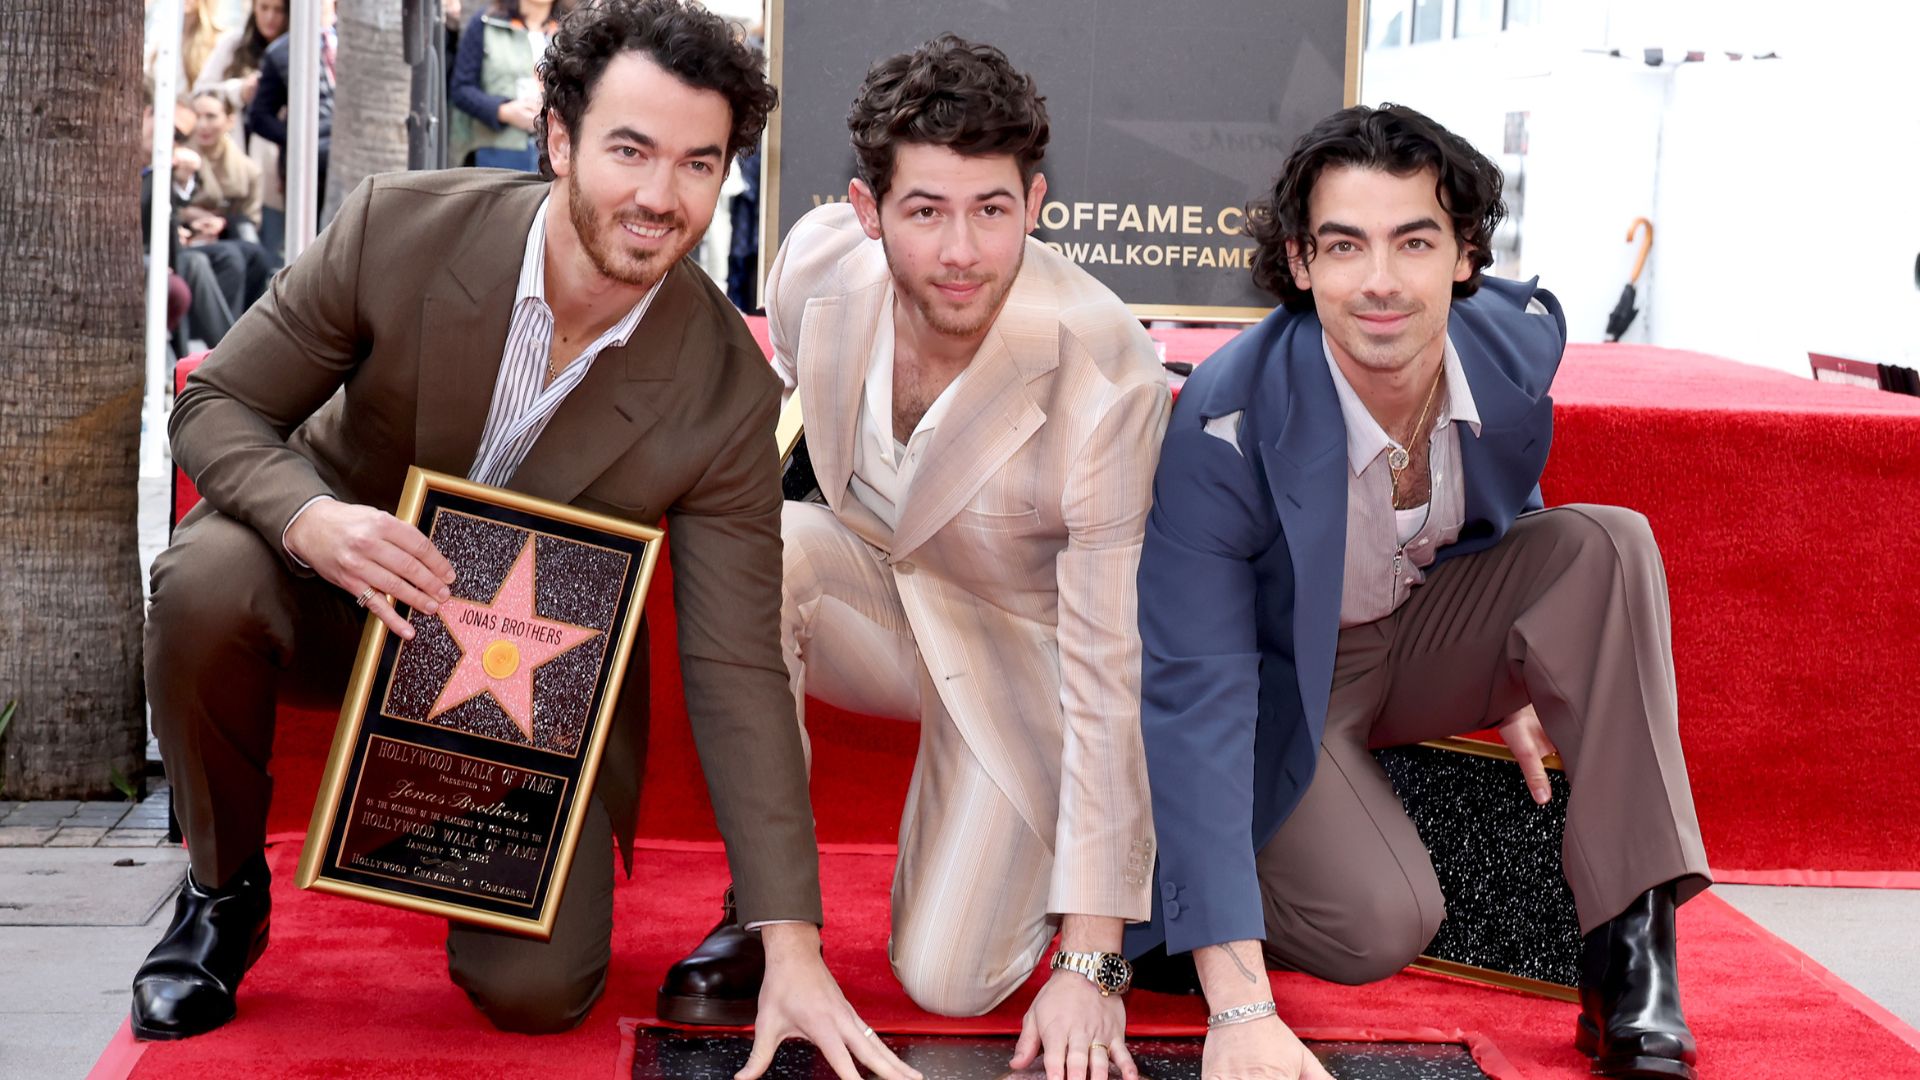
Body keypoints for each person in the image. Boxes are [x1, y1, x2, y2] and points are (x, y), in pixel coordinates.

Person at [130, 7, 920, 1079]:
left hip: (526, 689)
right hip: (337, 600)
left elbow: (737, 663)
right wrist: (315, 521)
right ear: (558, 139)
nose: (660, 196)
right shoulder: (398, 229)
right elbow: (216, 403)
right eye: (630, 150)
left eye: (698, 163)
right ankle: (223, 892)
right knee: (208, 577)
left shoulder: (728, 390)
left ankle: (467, 877)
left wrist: (793, 941)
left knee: (537, 997)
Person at [1131, 103, 1710, 1080]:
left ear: (1465, 253)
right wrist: (1236, 1001)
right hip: (1284, 685)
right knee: (1376, 929)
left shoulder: (1512, 346)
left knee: (1607, 546)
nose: (1382, 281)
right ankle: (1195, 883)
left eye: (1414, 241)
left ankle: (1630, 952)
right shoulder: (1227, 421)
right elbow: (1199, 693)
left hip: (1420, 622)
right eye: (1344, 246)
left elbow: (1505, 498)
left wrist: (1530, 654)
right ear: (1300, 262)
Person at [657, 34, 1168, 1080]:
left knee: (948, 982)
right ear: (866, 208)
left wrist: (1094, 959)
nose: (962, 252)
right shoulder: (812, 271)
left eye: (992, 210)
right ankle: (761, 908)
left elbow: (1107, 665)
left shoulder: (1106, 374)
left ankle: (1133, 877)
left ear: (1035, 204)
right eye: (926, 211)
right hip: (877, 594)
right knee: (759, 554)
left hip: (1022, 650)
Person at [196, 0, 288, 255]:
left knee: (270, 252)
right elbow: (201, 93)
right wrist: (238, 91)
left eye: (278, 10)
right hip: (230, 171)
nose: (270, 17)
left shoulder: (294, 50)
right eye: (264, 8)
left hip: (272, 174)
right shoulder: (234, 45)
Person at [181, 89, 282, 311]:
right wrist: (190, 216)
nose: (203, 125)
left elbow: (250, 219)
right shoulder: (177, 159)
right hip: (184, 235)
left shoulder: (247, 170)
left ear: (229, 120)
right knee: (232, 258)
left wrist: (222, 223)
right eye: (197, 116)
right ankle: (226, 329)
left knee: (258, 257)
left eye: (211, 116)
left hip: (227, 235)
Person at [449, 0, 567, 171]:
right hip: (498, 150)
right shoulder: (487, 22)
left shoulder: (569, 32)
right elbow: (461, 88)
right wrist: (503, 111)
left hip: (555, 150)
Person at [248, 0, 335, 203]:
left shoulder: (359, 41)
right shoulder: (281, 51)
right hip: (310, 170)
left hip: (357, 161)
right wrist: (297, 139)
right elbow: (259, 115)